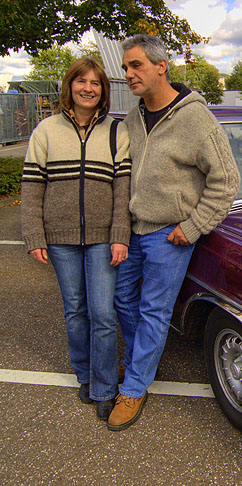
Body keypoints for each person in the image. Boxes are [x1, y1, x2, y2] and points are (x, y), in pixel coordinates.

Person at [109, 35, 240, 431]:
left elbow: (227, 179)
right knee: (120, 298)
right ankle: (139, 358)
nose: (128, 74)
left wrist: (193, 226)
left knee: (154, 311)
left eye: (136, 66)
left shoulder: (195, 119)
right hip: (134, 229)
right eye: (126, 67)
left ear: (160, 66)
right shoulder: (132, 118)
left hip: (170, 235)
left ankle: (134, 388)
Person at [21, 58, 131, 420]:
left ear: (103, 91)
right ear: (69, 86)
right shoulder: (46, 130)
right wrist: (34, 234)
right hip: (60, 237)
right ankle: (84, 374)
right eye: (81, 81)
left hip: (103, 239)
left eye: (95, 83)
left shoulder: (116, 131)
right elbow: (33, 186)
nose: (88, 88)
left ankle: (103, 388)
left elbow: (122, 189)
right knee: (76, 312)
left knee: (102, 314)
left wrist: (120, 236)